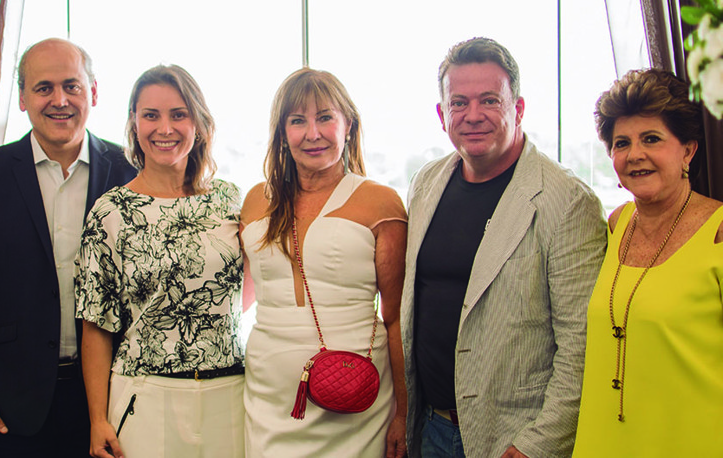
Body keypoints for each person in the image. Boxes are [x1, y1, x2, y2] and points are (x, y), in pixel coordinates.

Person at [400, 37, 607, 458]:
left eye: (489, 100)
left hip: (513, 440)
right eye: (459, 103)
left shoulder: (566, 201)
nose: (472, 115)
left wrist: (538, 444)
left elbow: (581, 346)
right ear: (443, 115)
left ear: (518, 108)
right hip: (429, 429)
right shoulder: (426, 183)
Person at [0, 38, 136, 457]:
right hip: (12, 403)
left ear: (94, 93)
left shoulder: (129, 172)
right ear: (23, 98)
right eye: (44, 88)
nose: (59, 100)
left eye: (72, 86)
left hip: (112, 397)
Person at [76, 64, 245, 458]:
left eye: (178, 114)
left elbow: (251, 289)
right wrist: (97, 419)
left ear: (199, 124)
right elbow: (96, 327)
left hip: (230, 393)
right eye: (150, 115)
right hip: (145, 396)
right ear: (134, 123)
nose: (164, 128)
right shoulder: (110, 212)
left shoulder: (230, 200)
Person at [241, 68, 408, 458]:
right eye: (297, 120)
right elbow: (237, 295)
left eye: (325, 117)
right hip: (268, 392)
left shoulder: (380, 202)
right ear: (282, 132)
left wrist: (402, 410)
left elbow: (397, 316)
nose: (312, 133)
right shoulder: (254, 201)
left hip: (356, 396)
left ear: (348, 124)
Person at [572, 69, 723, 456]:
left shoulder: (719, 231)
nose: (635, 154)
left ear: (687, 150)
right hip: (601, 442)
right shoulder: (615, 223)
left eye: (651, 139)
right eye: (622, 143)